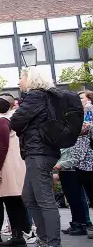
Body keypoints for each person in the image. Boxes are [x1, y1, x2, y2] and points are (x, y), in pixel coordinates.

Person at [11, 66, 61, 247]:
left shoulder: (35, 96)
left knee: (44, 199)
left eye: (21, 78)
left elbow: (16, 121)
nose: (19, 82)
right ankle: (45, 238)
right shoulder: (48, 97)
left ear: (30, 78)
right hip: (42, 151)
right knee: (29, 196)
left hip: (38, 151)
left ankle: (52, 242)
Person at [0, 94, 31, 246]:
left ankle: (16, 236)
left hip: (6, 165)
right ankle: (13, 235)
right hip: (8, 164)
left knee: (10, 201)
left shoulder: (1, 121)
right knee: (9, 200)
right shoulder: (3, 119)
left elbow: (3, 146)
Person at [54, 90, 93, 236]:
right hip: (72, 162)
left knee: (78, 196)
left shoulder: (87, 115)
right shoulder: (72, 117)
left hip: (80, 162)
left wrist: (64, 163)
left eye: (82, 98)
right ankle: (79, 222)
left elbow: (81, 140)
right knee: (74, 197)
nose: (80, 101)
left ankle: (82, 223)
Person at [71, 91, 93, 239]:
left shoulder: (88, 109)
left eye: (81, 98)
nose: (80, 100)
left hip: (88, 159)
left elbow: (85, 129)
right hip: (82, 159)